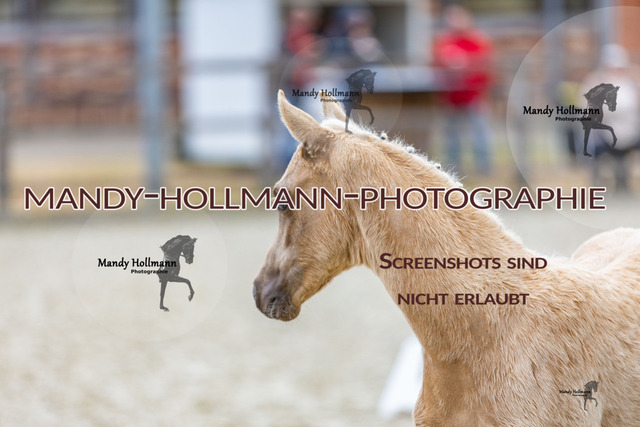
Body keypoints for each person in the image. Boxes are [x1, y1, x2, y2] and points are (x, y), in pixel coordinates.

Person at [433, 5, 494, 175]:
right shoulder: (444, 43)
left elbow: (485, 65)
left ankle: (484, 166)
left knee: (479, 131)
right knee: (452, 134)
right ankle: (454, 167)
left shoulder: (477, 41)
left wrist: (465, 65)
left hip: (474, 95)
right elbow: (436, 66)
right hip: (452, 97)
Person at [581, 43, 640, 192]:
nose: (615, 71)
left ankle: (623, 181)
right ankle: (598, 182)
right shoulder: (595, 82)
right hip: (603, 134)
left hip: (630, 132)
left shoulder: (632, 83)